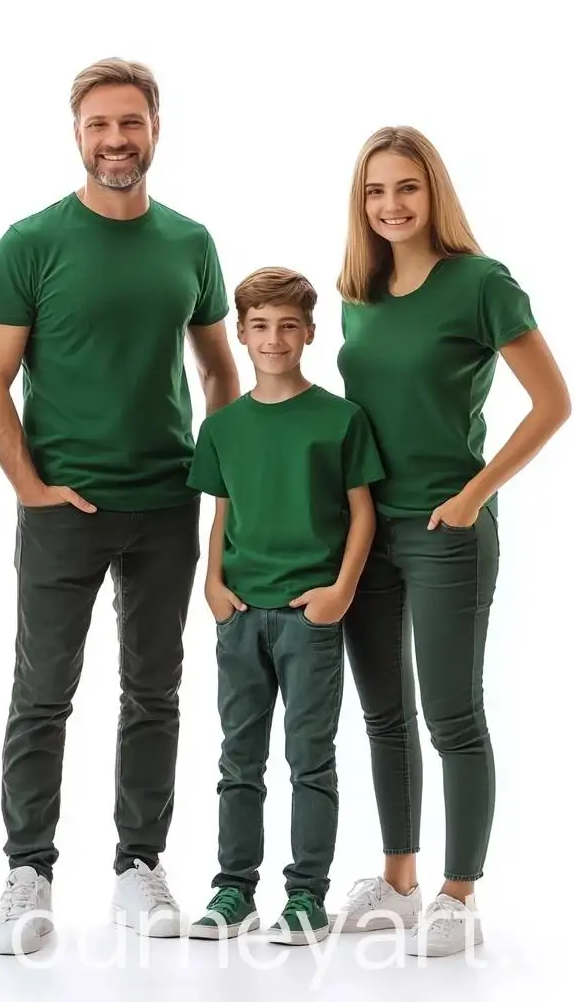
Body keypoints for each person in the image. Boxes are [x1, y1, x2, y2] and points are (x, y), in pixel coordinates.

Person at [0, 58, 236, 952]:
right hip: (61, 509)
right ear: (75, 133)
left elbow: (220, 370)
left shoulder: (191, 242)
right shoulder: (30, 242)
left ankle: (138, 867)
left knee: (153, 691)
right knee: (42, 694)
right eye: (98, 125)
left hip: (166, 501)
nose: (115, 140)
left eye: (129, 123)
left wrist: (224, 476)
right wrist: (29, 486)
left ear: (155, 127)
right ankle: (28, 873)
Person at [331, 127, 570, 956]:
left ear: (434, 192)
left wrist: (474, 495)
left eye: (406, 187)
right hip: (366, 533)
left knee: (452, 715)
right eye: (374, 192)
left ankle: (458, 894)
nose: (390, 205)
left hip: (445, 531)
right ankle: (398, 881)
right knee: (383, 714)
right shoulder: (358, 291)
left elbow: (551, 402)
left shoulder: (480, 284)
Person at [186, 268, 380, 946]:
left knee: (310, 758)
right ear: (240, 334)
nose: (274, 339)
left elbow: (362, 513)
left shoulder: (339, 419)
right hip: (239, 613)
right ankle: (233, 891)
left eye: (288, 326)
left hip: (310, 616)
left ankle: (306, 897)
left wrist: (340, 591)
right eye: (261, 326)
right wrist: (212, 585)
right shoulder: (224, 426)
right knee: (238, 758)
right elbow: (223, 509)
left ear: (309, 333)